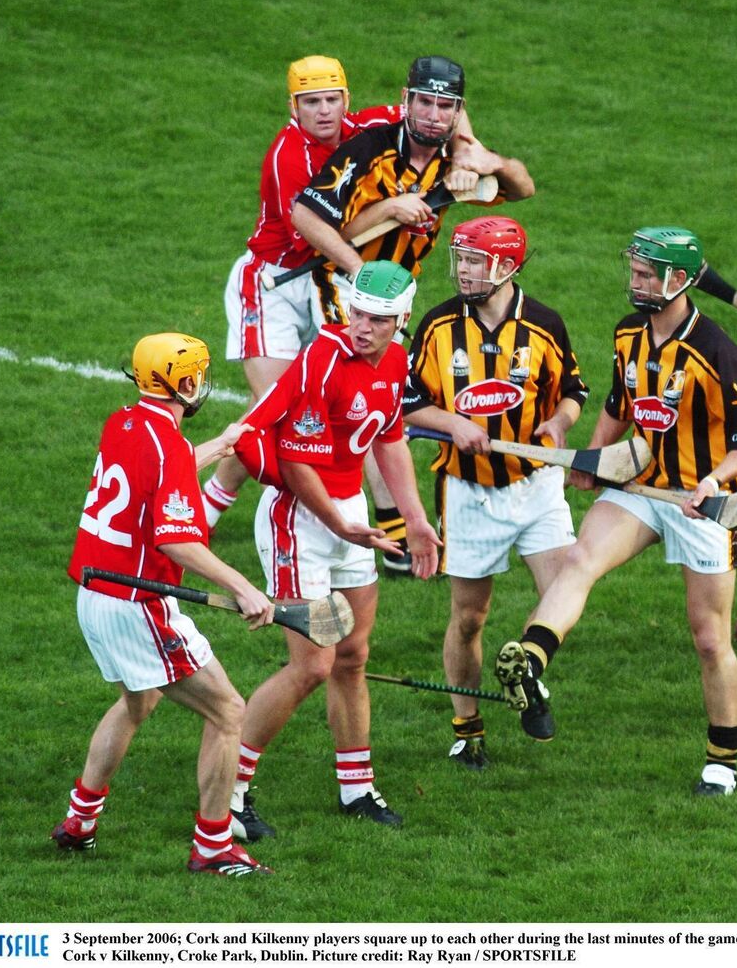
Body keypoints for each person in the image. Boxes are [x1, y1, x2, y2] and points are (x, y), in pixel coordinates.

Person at [494, 228, 737, 796]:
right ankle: (531, 659)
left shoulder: (716, 349)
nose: (635, 282)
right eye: (636, 272)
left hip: (699, 505)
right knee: (580, 559)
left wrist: (714, 480)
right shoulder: (629, 333)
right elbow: (619, 407)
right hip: (642, 490)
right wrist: (595, 461)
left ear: (678, 280)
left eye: (647, 275)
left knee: (709, 637)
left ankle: (722, 760)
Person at [288, 56, 534, 572]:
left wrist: (490, 160)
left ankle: (378, 522)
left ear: (457, 111)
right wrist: (360, 272)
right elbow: (306, 214)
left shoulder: (453, 159)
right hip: (348, 290)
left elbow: (521, 187)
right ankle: (351, 521)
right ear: (407, 99)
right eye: (425, 101)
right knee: (358, 397)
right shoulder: (370, 149)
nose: (433, 114)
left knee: (375, 400)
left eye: (445, 106)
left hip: (402, 292)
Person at [227, 261, 440, 841]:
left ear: (401, 320)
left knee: (352, 656)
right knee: (312, 664)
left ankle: (356, 787)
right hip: (302, 521)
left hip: (350, 518)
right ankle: (229, 789)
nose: (362, 326)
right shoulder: (323, 360)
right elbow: (296, 464)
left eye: (377, 318)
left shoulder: (395, 361)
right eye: (357, 313)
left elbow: (389, 436)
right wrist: (342, 527)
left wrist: (414, 519)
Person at [56, 333, 276, 876]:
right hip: (138, 605)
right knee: (228, 712)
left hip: (95, 596)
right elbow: (174, 539)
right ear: (184, 383)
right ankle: (213, 845)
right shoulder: (168, 445)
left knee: (139, 701)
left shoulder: (124, 423)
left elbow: (161, 473)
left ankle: (80, 820)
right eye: (196, 374)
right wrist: (244, 586)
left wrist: (220, 446)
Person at [403, 216, 589, 768]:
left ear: (506, 267)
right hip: (467, 491)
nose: (462, 271)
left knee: (561, 592)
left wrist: (558, 425)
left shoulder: (545, 326)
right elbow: (408, 401)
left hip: (536, 486)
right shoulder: (437, 327)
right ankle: (468, 728)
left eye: (473, 262)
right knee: (469, 617)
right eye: (458, 260)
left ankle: (528, 670)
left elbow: (573, 391)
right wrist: (452, 422)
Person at [206, 55, 405, 534]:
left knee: (356, 391)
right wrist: (389, 208)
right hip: (274, 280)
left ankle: (385, 517)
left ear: (346, 100)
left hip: (327, 279)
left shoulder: (366, 125)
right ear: (293, 106)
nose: (324, 111)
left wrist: (474, 155)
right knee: (278, 405)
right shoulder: (288, 159)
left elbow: (433, 112)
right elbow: (322, 233)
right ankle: (209, 509)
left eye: (332, 99)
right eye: (311, 101)